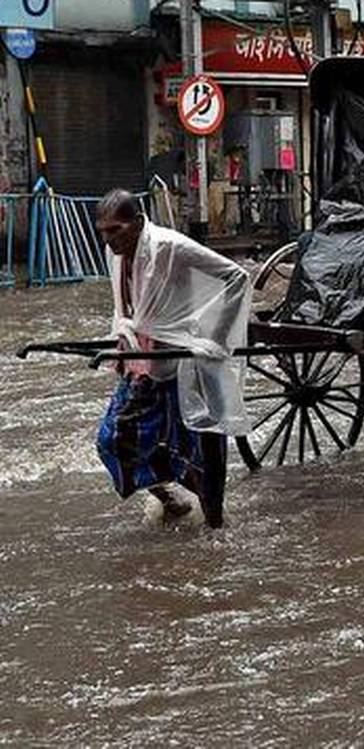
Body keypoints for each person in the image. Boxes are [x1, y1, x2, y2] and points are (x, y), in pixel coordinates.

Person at [94, 190, 251, 529]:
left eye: (115, 230)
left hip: (186, 363)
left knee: (203, 450)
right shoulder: (118, 255)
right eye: (103, 231)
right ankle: (171, 497)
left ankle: (216, 527)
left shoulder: (169, 247)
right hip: (144, 361)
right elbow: (129, 308)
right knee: (114, 441)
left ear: (137, 223)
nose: (108, 239)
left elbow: (236, 277)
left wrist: (215, 340)